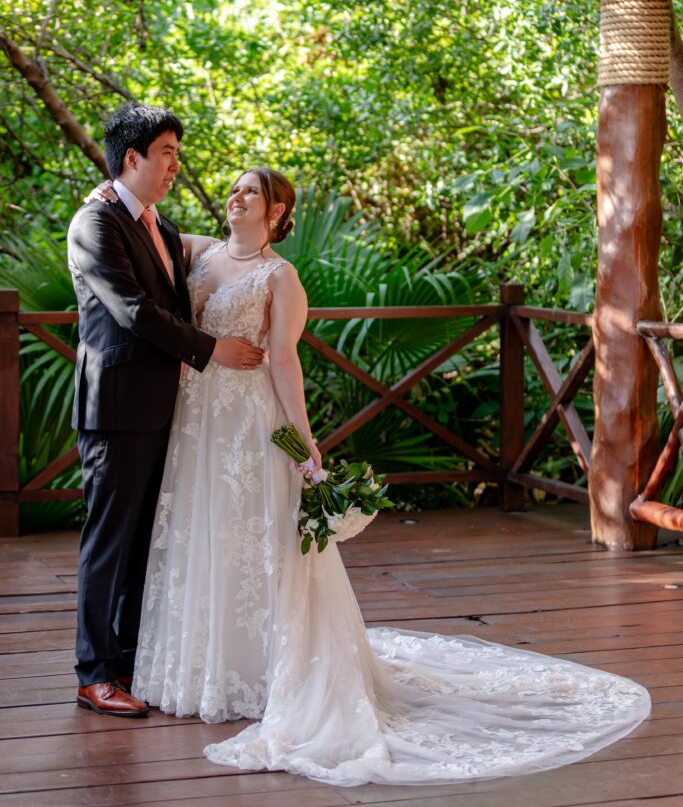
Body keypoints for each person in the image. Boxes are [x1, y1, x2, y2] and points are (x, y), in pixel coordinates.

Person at [127, 164, 651, 786]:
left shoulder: (280, 277)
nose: (236, 195)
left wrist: (304, 441)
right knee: (203, 534)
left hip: (249, 425)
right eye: (234, 186)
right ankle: (199, 666)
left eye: (251, 192)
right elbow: (141, 224)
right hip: (197, 425)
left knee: (257, 542)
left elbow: (285, 362)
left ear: (275, 214)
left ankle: (264, 671)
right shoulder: (198, 256)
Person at [67, 101, 263, 718]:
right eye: (168, 153)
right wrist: (214, 351)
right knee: (110, 544)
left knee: (145, 544)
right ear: (133, 158)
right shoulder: (95, 224)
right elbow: (134, 312)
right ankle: (94, 674)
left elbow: (196, 272)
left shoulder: (162, 226)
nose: (176, 165)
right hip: (117, 409)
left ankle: (130, 663)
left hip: (163, 410)